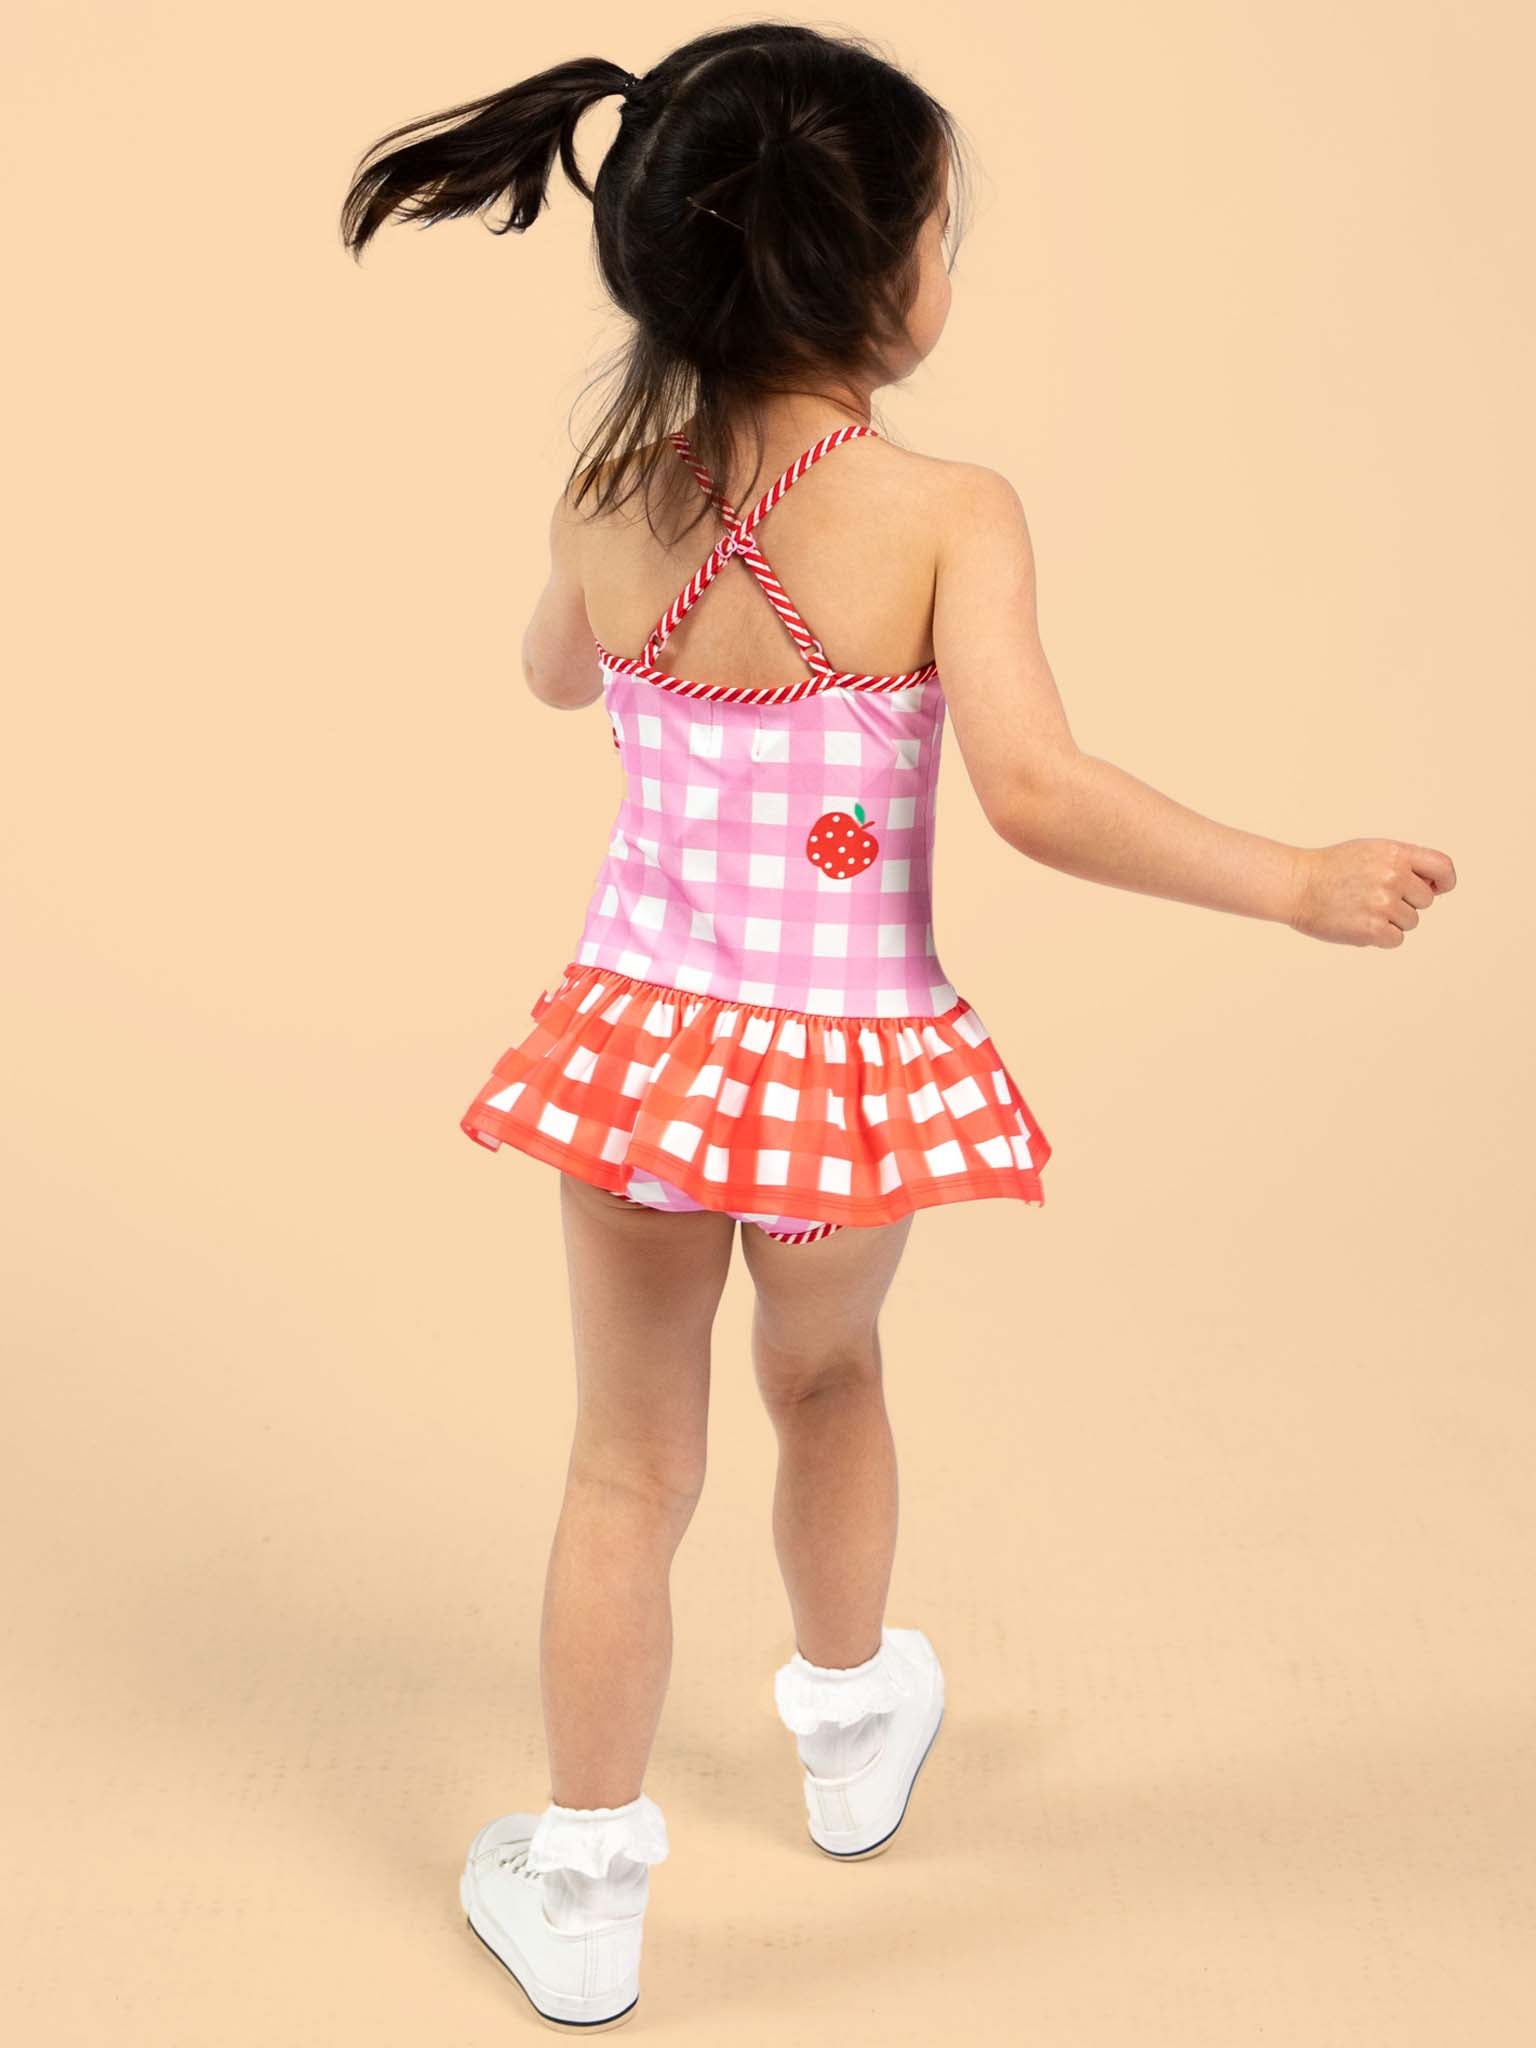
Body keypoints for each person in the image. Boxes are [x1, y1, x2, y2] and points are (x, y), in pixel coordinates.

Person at [339, 21, 1457, 2030]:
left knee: (623, 1468)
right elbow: (1032, 788)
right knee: (828, 1385)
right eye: (943, 223)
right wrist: (1289, 877)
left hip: (643, 1064)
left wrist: (632, 598)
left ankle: (583, 1878)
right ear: (873, 274)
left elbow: (551, 673)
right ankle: (851, 1730)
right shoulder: (945, 509)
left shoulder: (614, 486)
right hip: (838, 1074)